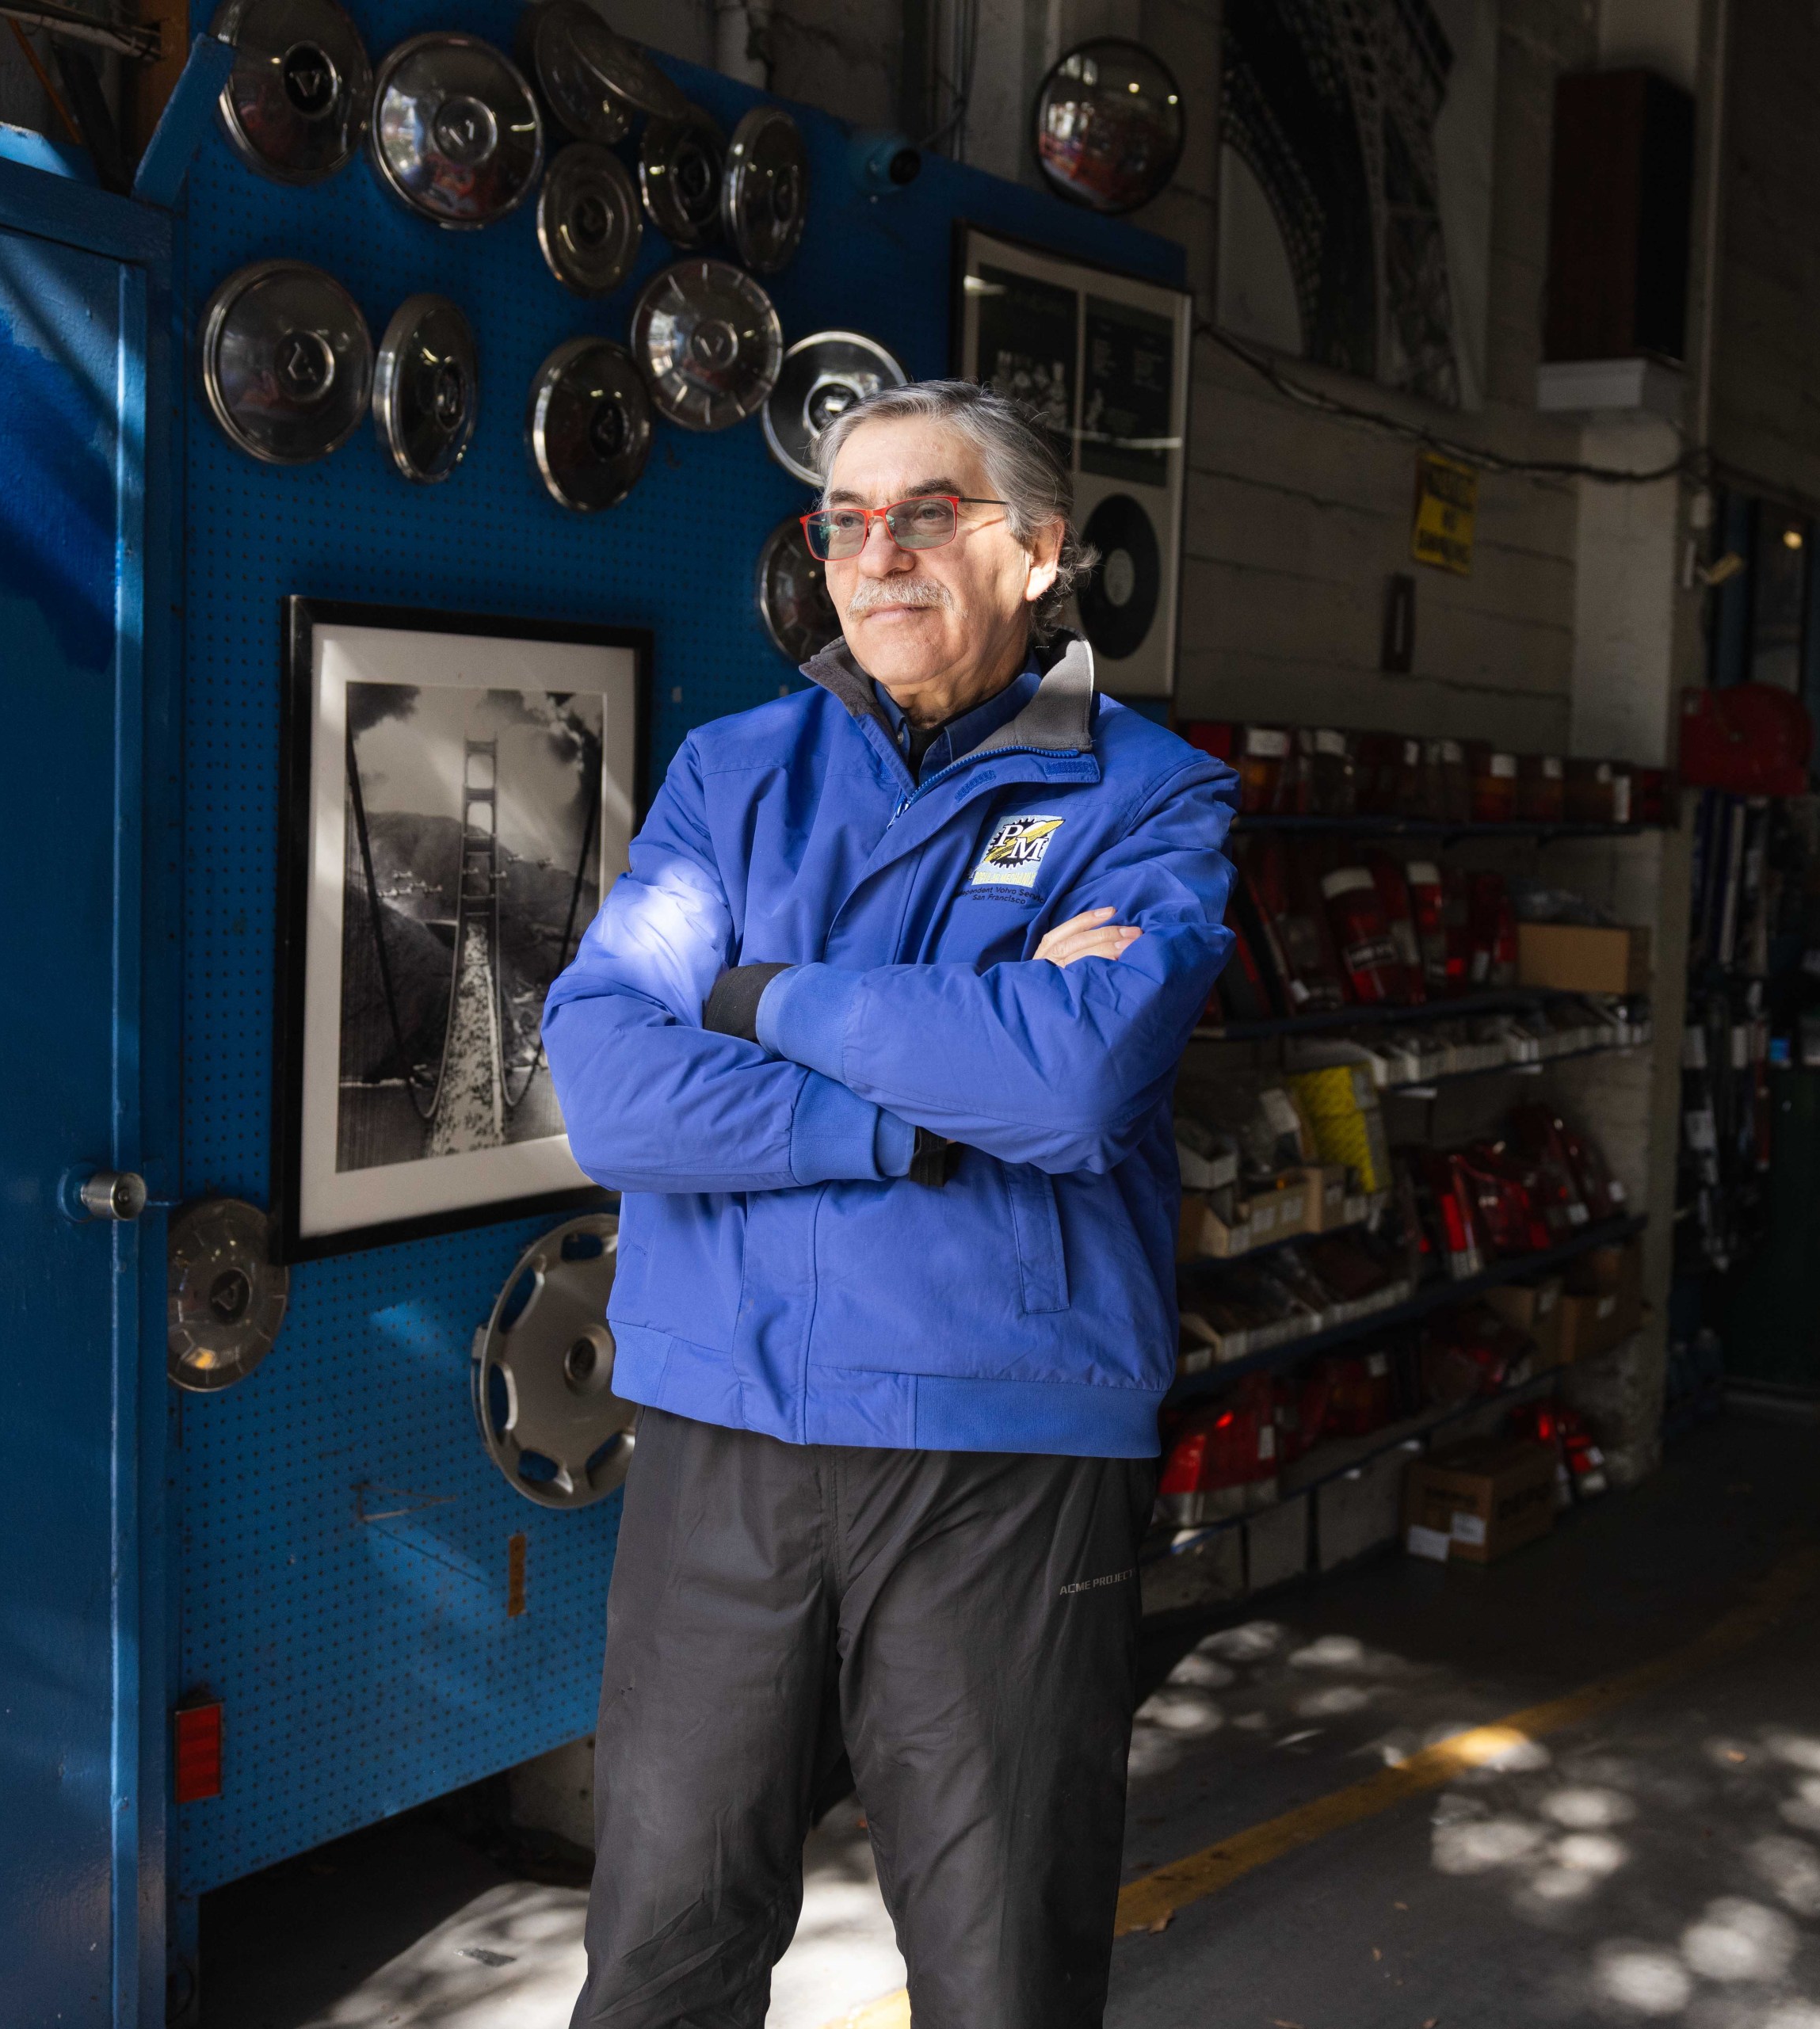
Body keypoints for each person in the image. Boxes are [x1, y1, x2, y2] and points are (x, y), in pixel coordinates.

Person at [542, 379, 1238, 2028]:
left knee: (1003, 1964)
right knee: (658, 1954)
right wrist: (912, 1111)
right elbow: (603, 1082)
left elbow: (1073, 1085)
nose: (878, 553)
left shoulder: (1149, 798)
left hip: (1006, 1449)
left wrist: (764, 992)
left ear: (1039, 551)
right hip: (724, 1431)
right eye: (845, 521)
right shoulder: (732, 776)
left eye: (928, 513)